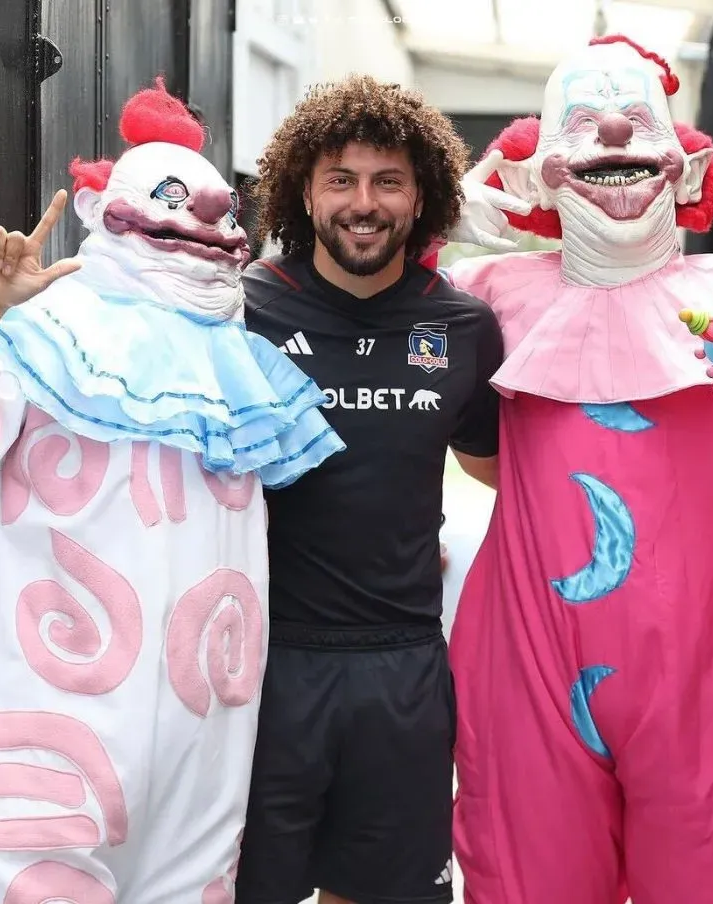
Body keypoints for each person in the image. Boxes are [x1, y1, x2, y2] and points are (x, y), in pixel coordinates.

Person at [424, 34, 713, 904]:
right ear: (542, 164)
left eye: (637, 119)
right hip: (532, 663)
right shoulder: (486, 304)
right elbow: (347, 348)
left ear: (680, 161)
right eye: (584, 123)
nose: (611, 136)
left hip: (712, 667)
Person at [0, 80, 342, 904]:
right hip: (33, 752)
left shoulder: (244, 368)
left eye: (222, 209)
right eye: (171, 199)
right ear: (111, 211)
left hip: (200, 759)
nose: (204, 218)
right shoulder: (39, 334)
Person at [233, 74, 507, 904]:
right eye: (341, 179)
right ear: (302, 192)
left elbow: (507, 474)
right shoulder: (243, 310)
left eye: (389, 181)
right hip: (264, 663)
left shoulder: (463, 325)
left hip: (404, 668)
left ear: (420, 195)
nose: (365, 202)